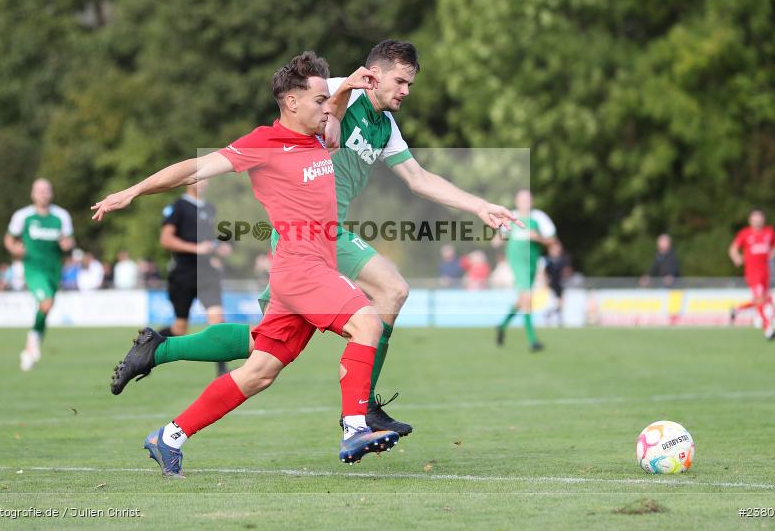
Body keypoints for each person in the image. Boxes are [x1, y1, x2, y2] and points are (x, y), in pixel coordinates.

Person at [106, 40, 519, 439]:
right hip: (309, 238)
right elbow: (328, 125)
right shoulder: (331, 93)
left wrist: (478, 206)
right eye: (401, 81)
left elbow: (418, 178)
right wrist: (135, 190)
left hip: (325, 237)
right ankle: (361, 412)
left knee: (260, 354)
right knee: (391, 292)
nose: (407, 91)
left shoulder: (384, 126)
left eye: (411, 83)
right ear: (373, 75)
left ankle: (159, 354)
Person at [94, 53, 400, 475]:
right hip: (301, 270)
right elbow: (193, 170)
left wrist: (344, 89)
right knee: (367, 323)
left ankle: (169, 436)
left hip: (308, 272)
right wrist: (131, 191)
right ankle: (353, 428)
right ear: (291, 102)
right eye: (317, 99)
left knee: (259, 371)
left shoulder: (316, 136)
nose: (325, 106)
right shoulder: (263, 143)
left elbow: (334, 117)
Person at [156, 178, 231, 375]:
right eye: (201, 179)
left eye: (207, 179)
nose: (205, 183)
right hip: (183, 273)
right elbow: (166, 239)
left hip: (207, 273)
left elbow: (209, 240)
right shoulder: (178, 207)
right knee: (179, 329)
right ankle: (148, 341)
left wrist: (218, 247)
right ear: (190, 182)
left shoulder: (210, 208)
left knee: (217, 321)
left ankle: (223, 373)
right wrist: (196, 248)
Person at [4, 178, 74, 371]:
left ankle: (30, 348)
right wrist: (14, 249)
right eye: (39, 191)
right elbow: (9, 239)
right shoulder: (23, 216)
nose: (43, 194)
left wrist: (67, 245)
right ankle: (33, 340)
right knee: (46, 303)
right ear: (32, 194)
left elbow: (68, 240)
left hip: (54, 270)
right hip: (33, 269)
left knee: (46, 307)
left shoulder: (61, 216)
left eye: (46, 190)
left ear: (51, 193)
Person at [495, 189, 556, 352]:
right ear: (517, 202)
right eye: (522, 200)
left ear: (532, 202)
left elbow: (553, 241)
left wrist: (539, 238)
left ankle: (502, 325)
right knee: (527, 298)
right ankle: (533, 341)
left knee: (522, 300)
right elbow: (498, 239)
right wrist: (499, 236)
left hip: (532, 263)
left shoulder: (539, 218)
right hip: (517, 263)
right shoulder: (510, 217)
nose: (525, 203)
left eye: (528, 200)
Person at [728, 209, 775, 340]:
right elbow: (733, 249)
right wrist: (736, 258)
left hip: (765, 272)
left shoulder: (769, 232)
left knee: (762, 300)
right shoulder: (745, 234)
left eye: (760, 218)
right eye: (755, 219)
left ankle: (737, 309)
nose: (757, 221)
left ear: (763, 220)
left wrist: (771, 255)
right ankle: (768, 330)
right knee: (761, 301)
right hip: (753, 273)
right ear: (750, 221)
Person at [543, 239, 572, 327]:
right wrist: (545, 281)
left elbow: (566, 271)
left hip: (559, 284)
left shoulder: (563, 259)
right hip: (551, 284)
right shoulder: (547, 259)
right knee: (555, 303)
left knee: (561, 304)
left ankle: (553, 316)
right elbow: (544, 272)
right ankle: (552, 317)